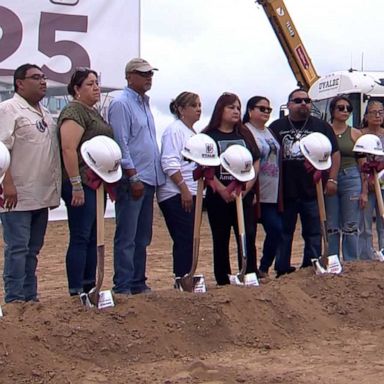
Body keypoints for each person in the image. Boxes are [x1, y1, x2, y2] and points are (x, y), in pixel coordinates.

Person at [0, 63, 61, 303]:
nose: (43, 81)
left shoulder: (45, 113)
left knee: (33, 250)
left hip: (41, 194)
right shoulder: (8, 109)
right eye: (36, 78)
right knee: (17, 249)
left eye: (44, 77)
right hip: (17, 194)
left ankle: (30, 297)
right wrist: (8, 184)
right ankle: (15, 299)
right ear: (20, 83)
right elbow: (1, 149)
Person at [108, 58, 165, 295]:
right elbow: (121, 142)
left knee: (142, 236)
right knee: (128, 235)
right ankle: (123, 285)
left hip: (148, 177)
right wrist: (132, 176)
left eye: (150, 73)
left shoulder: (144, 104)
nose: (148, 77)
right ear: (129, 76)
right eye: (143, 74)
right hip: (133, 178)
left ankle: (137, 281)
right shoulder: (121, 104)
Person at [269, 88, 340, 276]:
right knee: (284, 232)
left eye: (307, 101)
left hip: (313, 189)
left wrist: (332, 178)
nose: (303, 104)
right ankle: (282, 268)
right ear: (289, 104)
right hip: (286, 190)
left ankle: (311, 266)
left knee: (313, 232)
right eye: (298, 100)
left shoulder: (322, 126)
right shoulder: (276, 127)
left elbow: (335, 153)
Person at [57, 67, 114, 296]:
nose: (96, 87)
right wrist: (76, 184)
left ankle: (90, 285)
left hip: (97, 183)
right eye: (90, 84)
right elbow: (69, 148)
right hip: (81, 181)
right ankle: (76, 288)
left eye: (97, 83)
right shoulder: (74, 111)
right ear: (76, 89)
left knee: (93, 234)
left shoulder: (93, 112)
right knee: (81, 235)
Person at [202, 93, 260, 285]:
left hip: (243, 195)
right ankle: (223, 279)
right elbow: (205, 167)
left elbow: (256, 161)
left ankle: (249, 273)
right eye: (231, 107)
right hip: (218, 197)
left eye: (238, 107)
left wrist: (246, 188)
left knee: (247, 235)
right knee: (221, 238)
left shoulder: (244, 134)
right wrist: (222, 190)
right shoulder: (208, 136)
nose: (236, 111)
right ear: (220, 109)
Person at [157, 92, 201, 278]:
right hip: (175, 193)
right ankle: (182, 277)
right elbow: (169, 162)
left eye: (199, 105)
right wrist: (183, 189)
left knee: (191, 237)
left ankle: (188, 275)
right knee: (184, 237)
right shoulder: (174, 130)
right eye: (194, 105)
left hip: (191, 191)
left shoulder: (191, 133)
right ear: (181, 109)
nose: (199, 109)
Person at [243, 96, 283, 278]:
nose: (266, 112)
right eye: (262, 108)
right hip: (253, 190)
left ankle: (264, 267)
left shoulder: (269, 132)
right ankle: (249, 271)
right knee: (249, 234)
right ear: (250, 110)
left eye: (269, 109)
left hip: (272, 190)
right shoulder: (245, 131)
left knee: (276, 230)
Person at [325, 96, 367, 261]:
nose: (345, 111)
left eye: (348, 108)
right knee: (332, 225)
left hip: (352, 177)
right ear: (333, 110)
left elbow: (363, 165)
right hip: (330, 178)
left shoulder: (356, 134)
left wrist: (364, 191)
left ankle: (351, 262)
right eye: (340, 108)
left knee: (350, 225)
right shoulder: (324, 131)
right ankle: (332, 261)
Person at [359, 100, 384, 259]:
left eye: (380, 112)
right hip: (366, 184)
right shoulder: (359, 135)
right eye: (373, 112)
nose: (377, 115)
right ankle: (365, 256)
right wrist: (365, 185)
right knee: (365, 225)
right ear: (366, 116)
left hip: (383, 184)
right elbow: (359, 160)